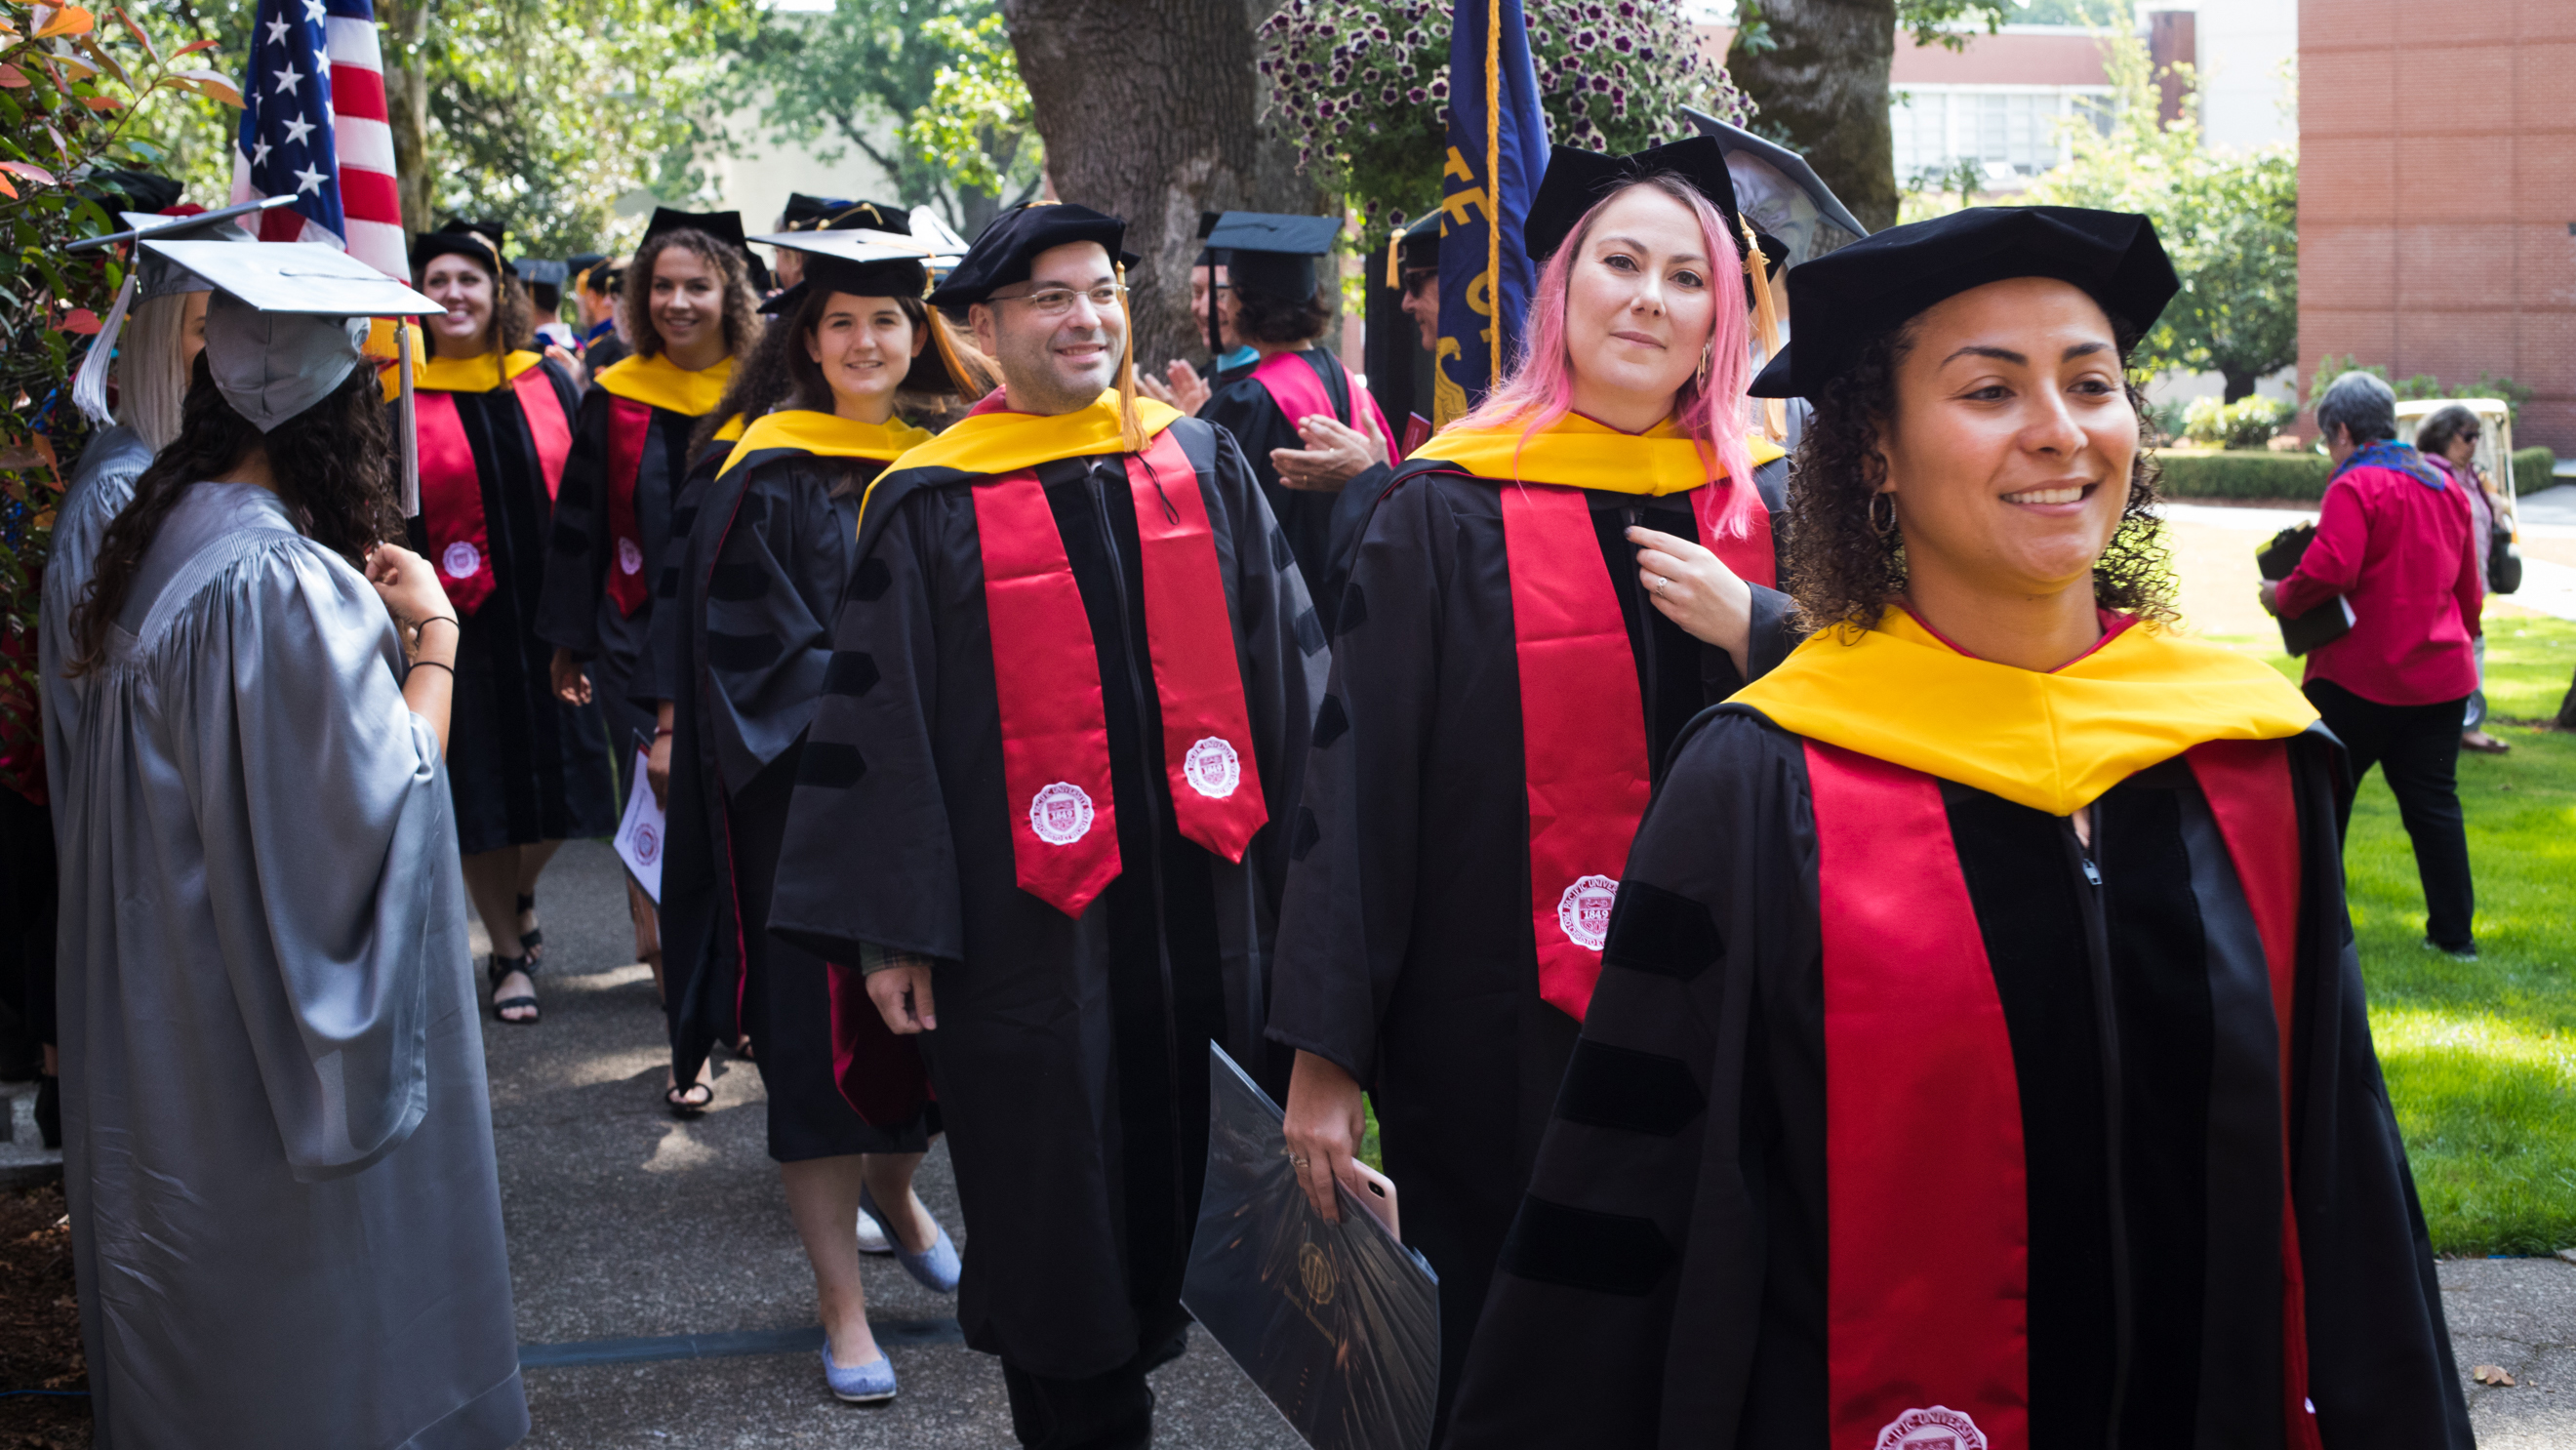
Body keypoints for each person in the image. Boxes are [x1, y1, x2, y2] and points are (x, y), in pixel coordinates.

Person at [1444, 206, 2472, 1448]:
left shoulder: (2248, 763)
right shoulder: (1763, 784)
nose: (2059, 428)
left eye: (2091, 382)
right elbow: (1626, 1196)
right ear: (1873, 450)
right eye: (1990, 390)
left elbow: (2347, 1182)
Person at [766, 201, 1327, 1450]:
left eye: (1103, 291)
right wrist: (889, 933)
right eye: (1051, 298)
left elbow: (1292, 686)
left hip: (1211, 913)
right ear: (980, 329)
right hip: (1030, 938)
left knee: (1218, 1178)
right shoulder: (925, 502)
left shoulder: (1200, 461)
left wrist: (1318, 887)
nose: (1087, 317)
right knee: (1054, 1206)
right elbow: (886, 724)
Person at [1268, 137, 1790, 1438]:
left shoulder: (1772, 505)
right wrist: (1327, 1053)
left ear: (1721, 315)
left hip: (1743, 1011)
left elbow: (1890, 717)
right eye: (1620, 262)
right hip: (1496, 1024)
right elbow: (1359, 783)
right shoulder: (1439, 507)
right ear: (1558, 291)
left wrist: (1764, 626)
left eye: (1687, 276)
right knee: (1512, 1358)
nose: (1650, 298)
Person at [54, 242, 527, 1447]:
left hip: (168, 988)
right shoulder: (277, 579)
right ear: (340, 415)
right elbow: (375, 809)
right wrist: (433, 638)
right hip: (250, 1032)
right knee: (308, 1338)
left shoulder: (166, 528)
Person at [646, 230, 995, 1404]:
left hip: (935, 806)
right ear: (806, 338)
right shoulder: (762, 471)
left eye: (886, 323)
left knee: (929, 1039)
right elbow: (749, 656)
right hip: (804, 805)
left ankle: (895, 1192)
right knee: (812, 1048)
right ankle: (843, 1308)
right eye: (841, 322)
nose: (864, 343)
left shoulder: (953, 458)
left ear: (920, 336)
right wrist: (885, 723)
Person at [539, 207, 759, 1005]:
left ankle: (734, 979)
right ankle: (677, 988)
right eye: (661, 286)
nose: (678, 302)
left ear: (727, 292)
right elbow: (582, 522)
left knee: (736, 811)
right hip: (630, 636)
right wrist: (568, 640)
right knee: (651, 805)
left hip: (745, 640)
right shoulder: (615, 395)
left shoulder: (764, 395)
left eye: (697, 285)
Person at [413, 221, 618, 1024]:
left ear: (498, 292)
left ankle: (521, 888)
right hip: (459, 628)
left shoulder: (548, 380)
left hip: (549, 619)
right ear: (417, 297)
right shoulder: (396, 397)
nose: (454, 294)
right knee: (481, 788)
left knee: (570, 786)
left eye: (470, 279)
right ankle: (506, 949)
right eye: (438, 282)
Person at [2262, 372, 2483, 958]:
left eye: (2326, 440)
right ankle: (2454, 936)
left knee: (2325, 804)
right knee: (2436, 807)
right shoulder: (2444, 485)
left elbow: (2334, 567)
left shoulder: (2355, 485)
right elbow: (2470, 591)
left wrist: (2279, 595)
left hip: (2357, 678)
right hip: (2441, 678)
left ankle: (2318, 928)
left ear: (2341, 430)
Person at [1191, 212, 1398, 621]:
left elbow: (1215, 521)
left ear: (1246, 302)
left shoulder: (1249, 401)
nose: (1223, 303)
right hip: (1346, 605)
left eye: (1226, 292)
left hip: (1286, 618)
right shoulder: (1344, 379)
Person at [2416, 404, 2511, 755]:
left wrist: (2495, 505)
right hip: (2445, 583)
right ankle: (2464, 725)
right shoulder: (2431, 474)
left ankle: (2463, 722)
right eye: (2467, 435)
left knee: (2469, 646)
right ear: (2444, 436)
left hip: (2471, 579)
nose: (2473, 443)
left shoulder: (2469, 475)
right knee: (2464, 647)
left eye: (2477, 436)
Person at [570, 253, 626, 373]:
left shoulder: (608, 349)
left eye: (578, 294)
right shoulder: (601, 342)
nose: (577, 301)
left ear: (591, 297)